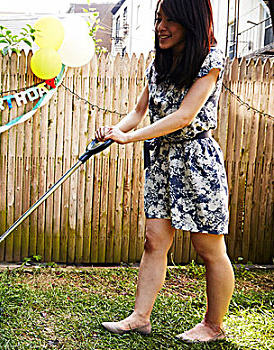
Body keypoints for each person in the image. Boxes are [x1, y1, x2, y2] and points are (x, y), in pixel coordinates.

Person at [96, 0, 234, 344]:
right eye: (159, 18)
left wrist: (130, 137)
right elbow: (139, 110)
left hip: (196, 161)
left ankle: (213, 326)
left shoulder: (210, 60)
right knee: (154, 240)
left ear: (191, 21)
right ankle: (140, 318)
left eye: (170, 19)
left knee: (208, 248)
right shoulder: (158, 65)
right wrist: (115, 130)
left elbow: (184, 116)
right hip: (161, 160)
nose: (161, 26)